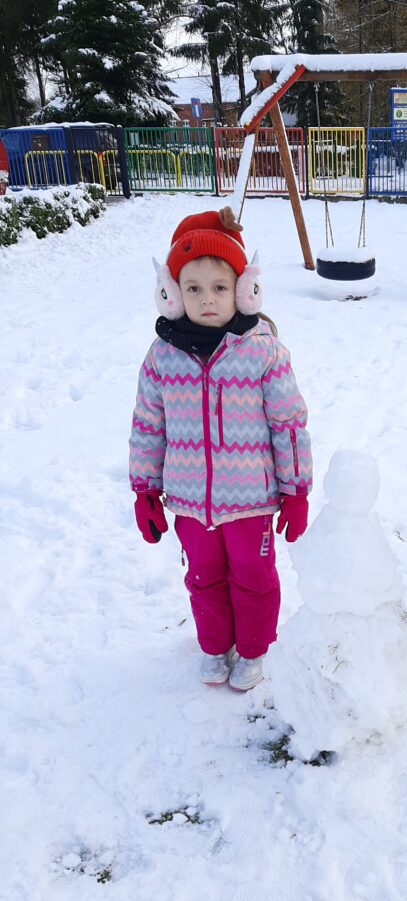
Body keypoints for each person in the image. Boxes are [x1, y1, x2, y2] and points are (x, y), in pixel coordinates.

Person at [129, 207, 312, 690]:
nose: (207, 300)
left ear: (244, 290)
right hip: (190, 502)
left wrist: (296, 491)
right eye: (193, 288)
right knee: (203, 578)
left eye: (219, 287)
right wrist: (146, 490)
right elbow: (148, 425)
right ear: (171, 294)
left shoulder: (262, 350)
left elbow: (289, 423)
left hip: (251, 500)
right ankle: (214, 646)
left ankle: (253, 649)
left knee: (253, 577)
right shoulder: (162, 357)